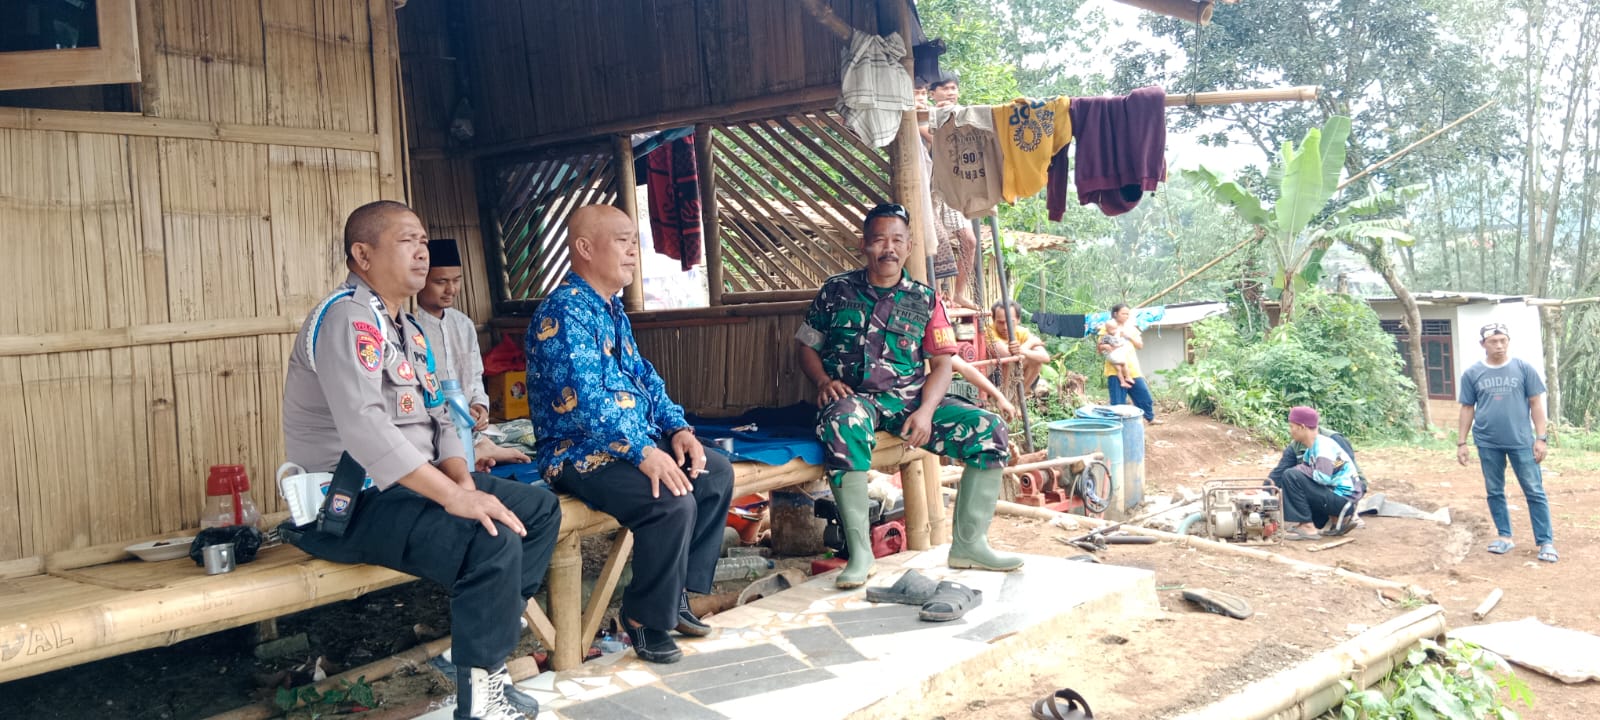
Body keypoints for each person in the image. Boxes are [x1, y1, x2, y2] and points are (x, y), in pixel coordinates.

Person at [282, 200, 561, 720]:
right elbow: (364, 427)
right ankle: (480, 700)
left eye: (424, 241)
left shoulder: (407, 329)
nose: (422, 252)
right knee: (489, 537)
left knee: (538, 511)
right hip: (354, 502)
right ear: (363, 255)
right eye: (407, 240)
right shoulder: (347, 319)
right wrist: (453, 496)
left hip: (415, 487)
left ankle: (485, 653)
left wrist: (462, 481)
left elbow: (443, 415)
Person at [524, 204, 735, 664]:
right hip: (578, 453)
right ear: (584, 248)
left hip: (627, 442)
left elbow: (644, 379)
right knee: (670, 501)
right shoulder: (563, 312)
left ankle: (674, 595)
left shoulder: (609, 308)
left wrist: (677, 428)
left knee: (714, 472)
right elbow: (586, 403)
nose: (633, 251)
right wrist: (643, 451)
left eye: (633, 241)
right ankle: (643, 616)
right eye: (622, 240)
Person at [796, 202, 1020, 590]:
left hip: (911, 402)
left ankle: (970, 545)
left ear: (910, 246)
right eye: (880, 239)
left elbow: (943, 364)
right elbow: (805, 346)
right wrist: (822, 381)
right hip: (856, 400)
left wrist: (927, 411)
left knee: (990, 429)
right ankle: (861, 554)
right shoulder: (836, 291)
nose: (889, 248)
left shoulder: (926, 299)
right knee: (843, 421)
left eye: (897, 240)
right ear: (864, 244)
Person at [416, 239, 531, 468]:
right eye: (441, 282)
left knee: (530, 433)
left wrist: (480, 407)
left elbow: (475, 377)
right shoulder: (410, 326)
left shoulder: (464, 324)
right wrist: (453, 411)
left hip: (470, 424)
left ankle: (477, 448)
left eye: (456, 280)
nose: (451, 289)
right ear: (420, 281)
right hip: (432, 428)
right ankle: (472, 452)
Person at [1456, 323, 1557, 563]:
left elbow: (1536, 403)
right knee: (1494, 490)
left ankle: (1545, 542)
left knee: (1534, 490)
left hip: (1521, 441)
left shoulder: (1523, 369)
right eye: (1493, 341)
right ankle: (1504, 536)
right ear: (1483, 344)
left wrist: (1541, 438)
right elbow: (1467, 408)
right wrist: (1462, 442)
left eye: (1503, 340)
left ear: (1508, 342)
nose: (1499, 345)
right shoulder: (1472, 373)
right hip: (1488, 442)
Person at [1272, 406, 1359, 540]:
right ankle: (1331, 521)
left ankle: (1307, 527)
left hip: (1343, 500)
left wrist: (1299, 469)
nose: (1290, 431)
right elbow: (1305, 472)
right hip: (1341, 498)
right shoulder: (1312, 449)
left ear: (1301, 427)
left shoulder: (1323, 446)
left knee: (1290, 475)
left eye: (1291, 426)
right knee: (1293, 475)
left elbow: (1323, 477)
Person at [1096, 304, 1156, 423]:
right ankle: (1118, 424)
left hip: (1132, 368)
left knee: (1144, 396)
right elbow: (1099, 348)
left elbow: (1140, 346)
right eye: (1123, 313)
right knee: (1118, 402)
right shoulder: (1106, 327)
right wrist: (1105, 346)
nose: (1126, 316)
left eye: (1128, 314)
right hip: (1114, 370)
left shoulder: (1132, 328)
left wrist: (1128, 336)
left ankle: (1150, 418)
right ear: (1115, 314)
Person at [985, 300, 1051, 395]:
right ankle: (1004, 397)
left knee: (1035, 361)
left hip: (1015, 377)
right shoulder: (989, 332)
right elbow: (1007, 356)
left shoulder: (1022, 332)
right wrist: (1030, 343)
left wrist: (1022, 350)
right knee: (1009, 361)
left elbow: (1045, 357)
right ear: (993, 320)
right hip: (992, 379)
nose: (1005, 327)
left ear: (1018, 319)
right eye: (1000, 322)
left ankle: (1017, 398)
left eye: (1010, 322)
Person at [1098, 316, 1134, 389]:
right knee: (1124, 363)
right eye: (1112, 329)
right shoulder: (1108, 337)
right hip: (1111, 356)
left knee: (1119, 369)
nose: (1114, 331)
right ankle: (1128, 377)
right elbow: (1113, 346)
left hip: (1111, 356)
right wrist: (1120, 345)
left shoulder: (1111, 335)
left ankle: (1123, 382)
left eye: (1115, 329)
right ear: (1107, 330)